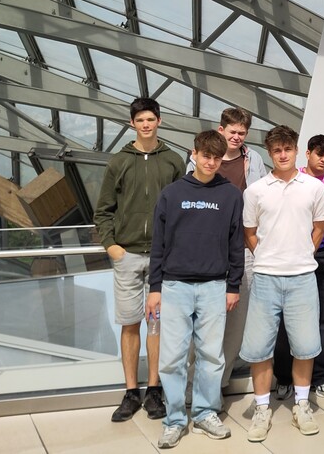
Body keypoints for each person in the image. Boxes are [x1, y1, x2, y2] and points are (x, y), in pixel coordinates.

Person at [148, 130, 244, 449]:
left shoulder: (230, 195)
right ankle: (174, 419)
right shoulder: (172, 193)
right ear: (194, 154)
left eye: (216, 158)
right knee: (172, 358)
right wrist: (155, 287)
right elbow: (158, 244)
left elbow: (236, 243)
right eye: (206, 156)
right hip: (174, 285)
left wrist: (233, 285)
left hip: (215, 285)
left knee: (211, 356)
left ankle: (204, 413)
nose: (211, 162)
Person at [94, 97, 185, 422]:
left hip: (162, 257)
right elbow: (103, 210)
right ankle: (131, 391)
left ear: (159, 121)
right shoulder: (119, 162)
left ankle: (154, 390)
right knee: (130, 323)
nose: (146, 124)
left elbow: (182, 208)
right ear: (132, 123)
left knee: (156, 323)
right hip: (128, 255)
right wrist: (112, 246)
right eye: (140, 120)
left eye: (150, 119)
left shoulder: (173, 161)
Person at [240, 126, 324, 443]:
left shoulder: (314, 187)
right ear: (270, 153)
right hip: (265, 277)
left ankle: (301, 404)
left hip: (302, 276)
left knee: (305, 346)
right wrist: (267, 256)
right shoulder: (255, 191)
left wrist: (303, 253)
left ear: (296, 150)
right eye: (277, 150)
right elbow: (250, 233)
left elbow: (319, 227)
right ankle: (262, 408)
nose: (283, 154)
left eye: (287, 148)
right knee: (259, 348)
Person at [188, 107, 267, 389]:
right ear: (221, 129)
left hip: (243, 247)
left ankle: (218, 385)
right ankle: (193, 384)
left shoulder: (253, 159)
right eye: (232, 131)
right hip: (207, 249)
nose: (237, 137)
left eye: (242, 133)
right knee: (201, 320)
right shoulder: (202, 158)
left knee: (237, 321)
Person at [273, 134, 324, 399]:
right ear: (308, 153)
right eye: (319, 154)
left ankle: (320, 376)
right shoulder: (296, 178)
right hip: (295, 256)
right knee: (288, 319)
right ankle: (284, 377)